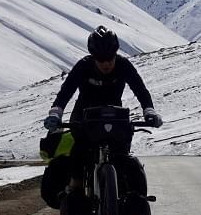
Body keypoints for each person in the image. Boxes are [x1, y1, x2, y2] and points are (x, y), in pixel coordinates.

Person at [43, 25, 163, 192]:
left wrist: (149, 111)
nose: (106, 64)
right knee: (79, 157)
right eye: (101, 59)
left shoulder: (123, 65)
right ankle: (76, 188)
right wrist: (55, 114)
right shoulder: (83, 66)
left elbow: (140, 90)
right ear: (93, 57)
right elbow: (65, 92)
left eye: (110, 58)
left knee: (122, 158)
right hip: (83, 117)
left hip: (115, 117)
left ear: (115, 54)